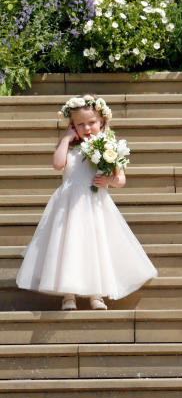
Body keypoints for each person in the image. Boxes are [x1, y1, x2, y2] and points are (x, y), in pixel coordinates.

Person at [17, 96, 157, 310]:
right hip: (69, 207)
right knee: (68, 247)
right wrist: (65, 139)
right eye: (80, 124)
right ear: (73, 126)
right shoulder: (71, 149)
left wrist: (108, 180)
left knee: (95, 248)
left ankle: (96, 294)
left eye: (91, 122)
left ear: (101, 122)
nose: (87, 128)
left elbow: (121, 180)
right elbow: (57, 165)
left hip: (95, 205)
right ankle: (68, 295)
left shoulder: (108, 148)